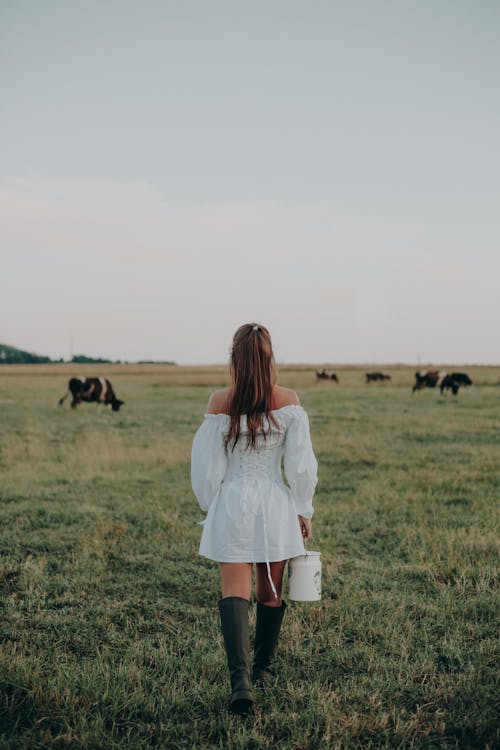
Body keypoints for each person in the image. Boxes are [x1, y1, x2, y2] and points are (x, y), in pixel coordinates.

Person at [191, 323, 318, 714]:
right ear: (269, 359)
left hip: (232, 502)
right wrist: (302, 507)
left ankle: (241, 683)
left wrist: (211, 504)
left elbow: (207, 470)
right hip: (274, 504)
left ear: (235, 360)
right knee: (270, 590)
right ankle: (262, 668)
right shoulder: (288, 401)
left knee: (234, 591)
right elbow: (300, 467)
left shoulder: (219, 403)